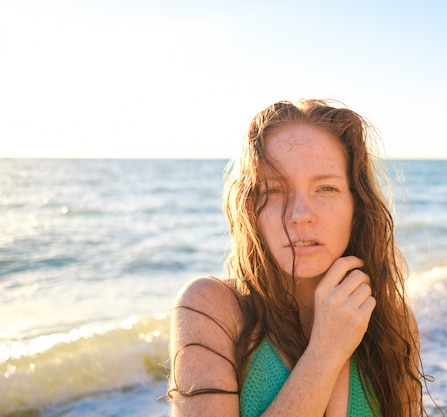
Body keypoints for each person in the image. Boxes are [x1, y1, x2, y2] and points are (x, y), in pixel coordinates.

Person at [168, 99, 428, 416]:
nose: (300, 215)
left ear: (356, 207)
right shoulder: (212, 308)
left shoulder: (392, 323)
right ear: (251, 208)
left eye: (326, 189)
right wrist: (325, 351)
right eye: (274, 191)